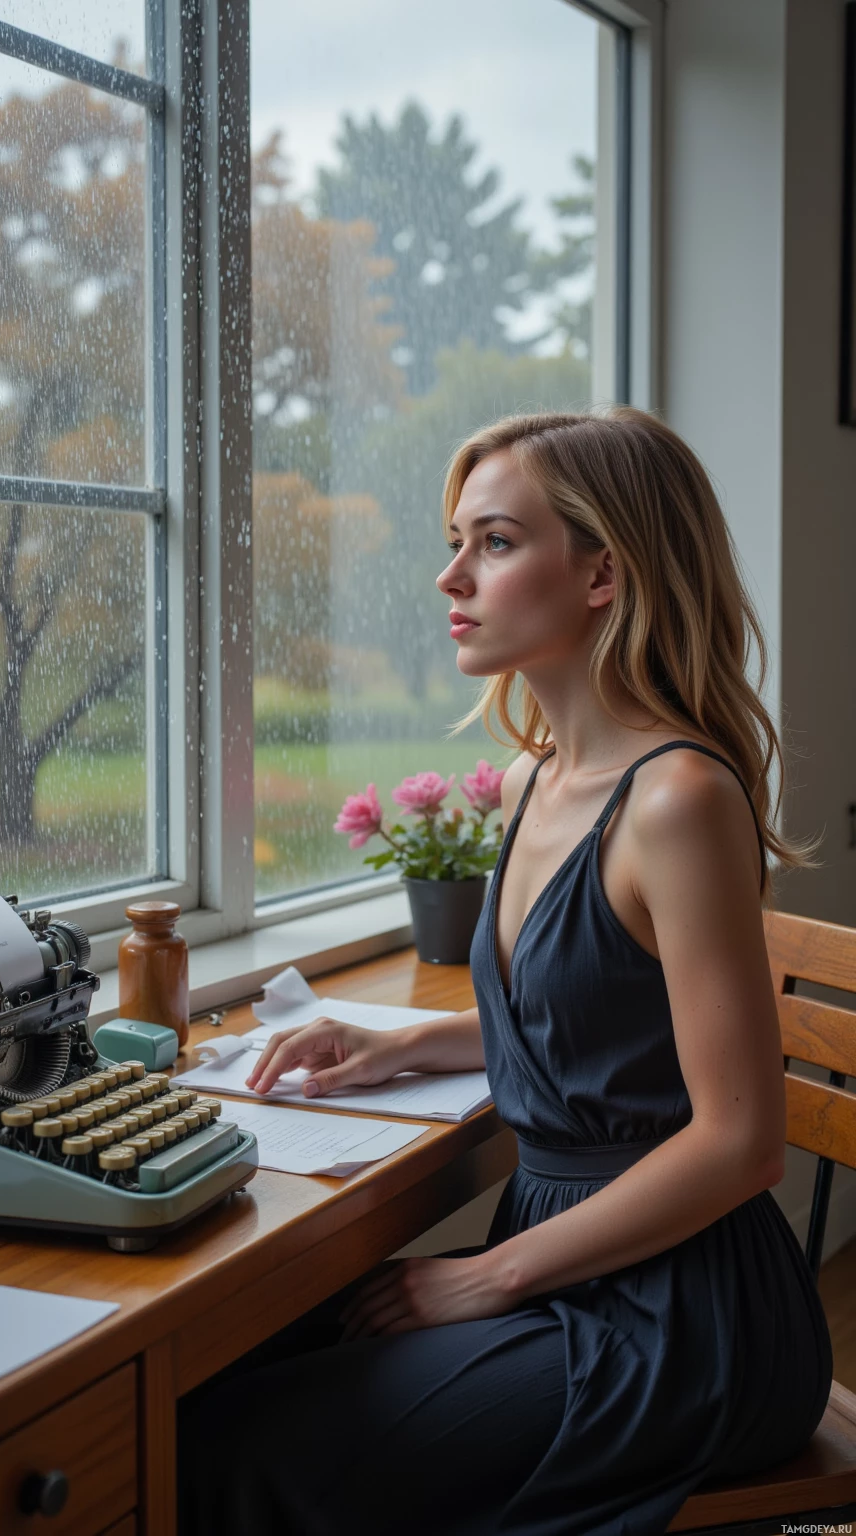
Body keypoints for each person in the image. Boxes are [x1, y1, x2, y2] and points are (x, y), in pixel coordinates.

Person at [177, 407, 833, 1535]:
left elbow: (740, 1143)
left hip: (680, 1313)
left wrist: (485, 1280)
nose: (449, 578)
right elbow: (598, 1020)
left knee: (237, 1453)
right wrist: (399, 1041)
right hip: (567, 1255)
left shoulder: (677, 799)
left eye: (491, 542)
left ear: (602, 574)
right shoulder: (532, 781)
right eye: (455, 540)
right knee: (221, 1382)